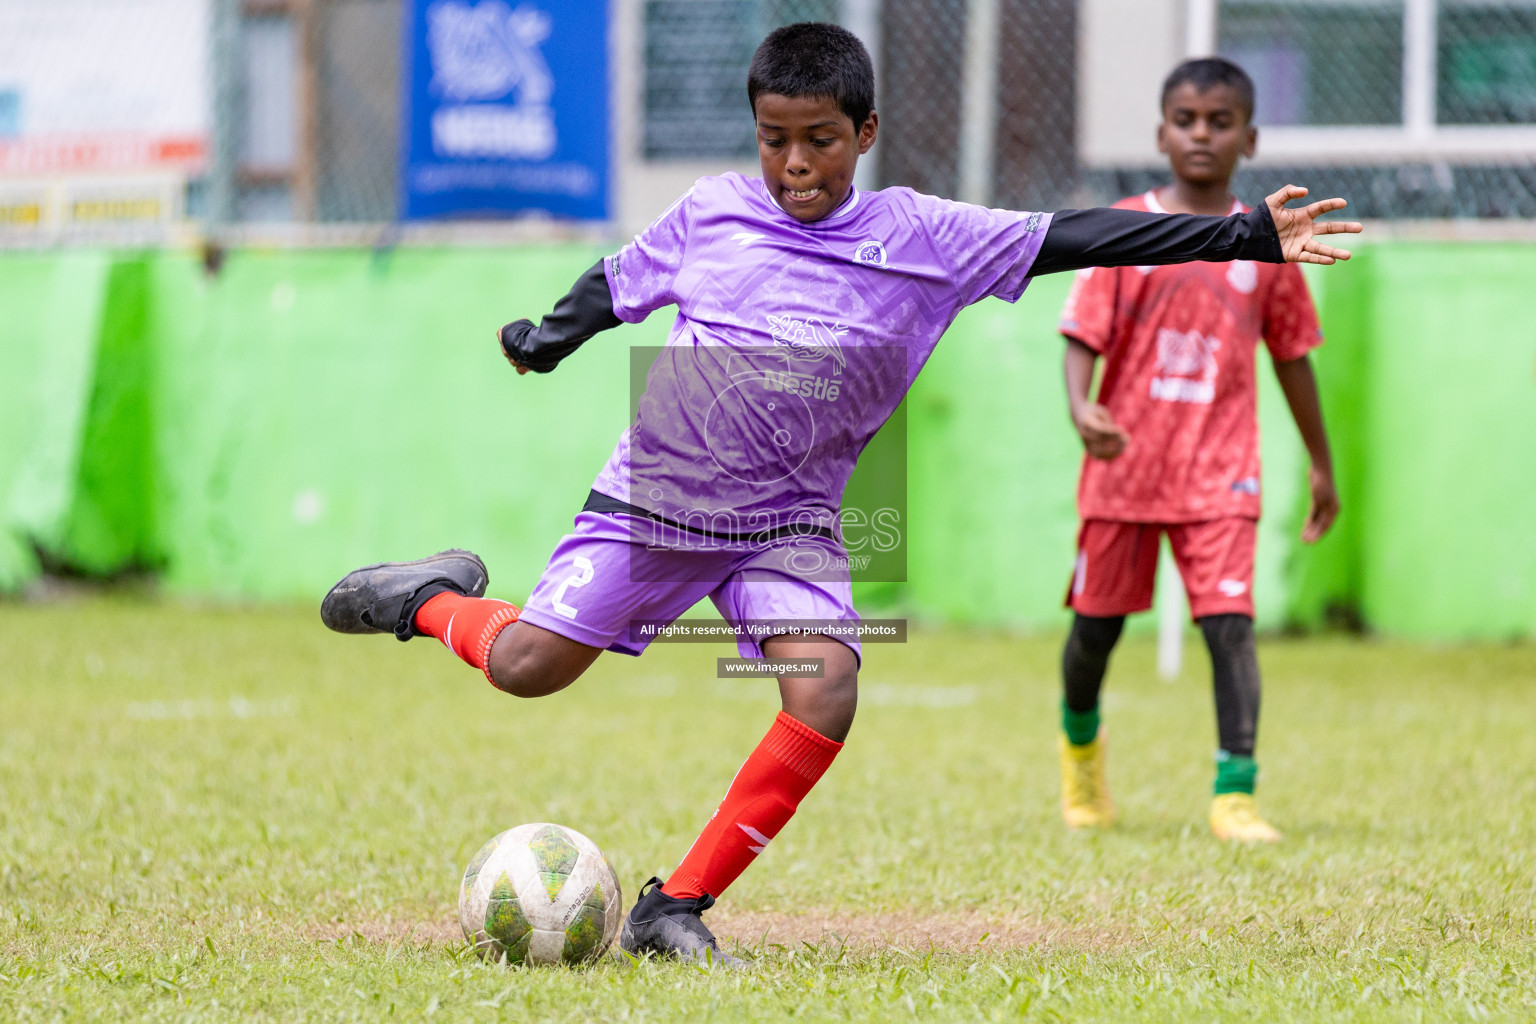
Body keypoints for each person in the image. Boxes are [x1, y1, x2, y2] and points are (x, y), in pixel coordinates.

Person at [321, 26, 1358, 964]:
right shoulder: (714, 212)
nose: (794, 164)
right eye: (774, 139)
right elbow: (617, 277)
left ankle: (673, 907)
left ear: (865, 131)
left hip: (791, 524)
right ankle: (426, 599)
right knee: (530, 668)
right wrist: (549, 338)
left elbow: (1073, 237)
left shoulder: (924, 236)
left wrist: (1243, 235)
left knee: (825, 690)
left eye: (818, 139)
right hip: (659, 497)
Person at [1053, 57, 1341, 843]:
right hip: (1122, 475)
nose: (1201, 135)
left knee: (1230, 626)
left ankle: (1234, 794)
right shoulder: (1126, 228)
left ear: (1248, 137)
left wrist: (1321, 461)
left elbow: (1292, 354)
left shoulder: (1268, 245)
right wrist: (1083, 407)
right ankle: (1080, 763)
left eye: (1219, 123)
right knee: (1094, 634)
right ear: (1161, 132)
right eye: (1186, 120)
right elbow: (1083, 334)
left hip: (1221, 473)